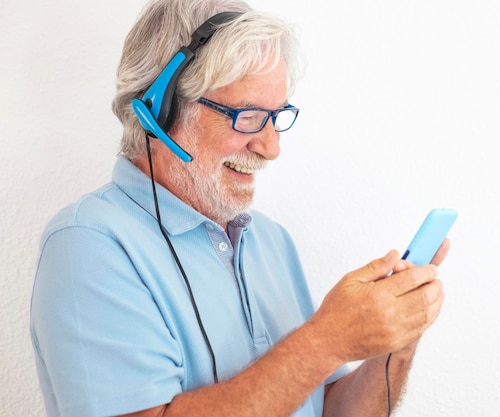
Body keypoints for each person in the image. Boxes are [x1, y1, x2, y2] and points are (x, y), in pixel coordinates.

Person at [29, 0, 450, 416]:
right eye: (247, 116)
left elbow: (332, 410)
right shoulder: (88, 246)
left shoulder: (270, 240)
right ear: (161, 108)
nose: (271, 147)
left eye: (276, 115)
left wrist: (397, 338)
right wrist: (328, 339)